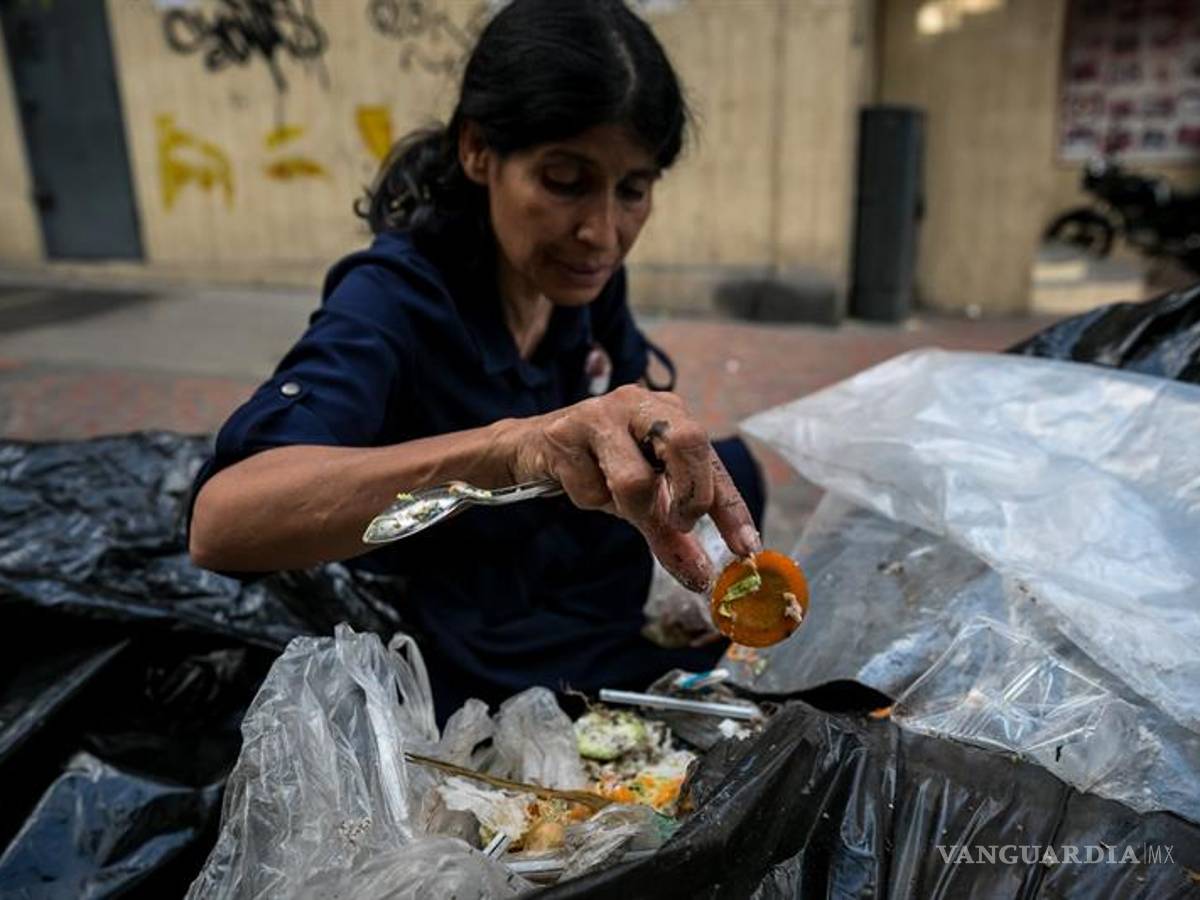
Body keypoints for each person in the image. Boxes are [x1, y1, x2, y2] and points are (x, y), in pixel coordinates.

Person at [188, 0, 766, 720]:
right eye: (564, 181)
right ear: (478, 151)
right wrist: (511, 449)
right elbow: (221, 522)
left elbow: (622, 415)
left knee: (728, 471)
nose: (601, 233)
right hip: (448, 602)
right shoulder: (394, 297)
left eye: (633, 190)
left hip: (545, 562)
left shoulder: (584, 284)